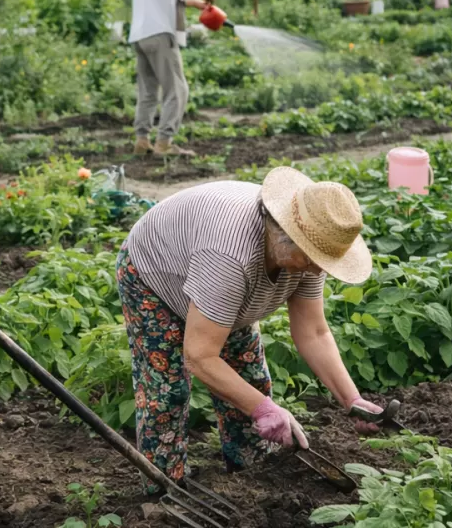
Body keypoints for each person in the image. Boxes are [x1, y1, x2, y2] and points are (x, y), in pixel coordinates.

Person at [112, 167, 385, 486]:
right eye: (311, 258)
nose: (316, 268)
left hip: (220, 281)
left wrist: (352, 400)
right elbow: (199, 356)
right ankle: (164, 486)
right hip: (155, 274)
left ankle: (249, 475)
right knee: (167, 390)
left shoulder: (310, 248)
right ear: (283, 231)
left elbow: (313, 332)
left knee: (249, 380)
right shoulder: (230, 255)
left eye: (322, 261)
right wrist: (263, 408)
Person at [128, 0, 220, 158]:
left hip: (140, 36)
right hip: (160, 35)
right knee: (177, 90)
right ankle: (164, 143)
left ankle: (142, 140)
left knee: (148, 90)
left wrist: (196, 4)